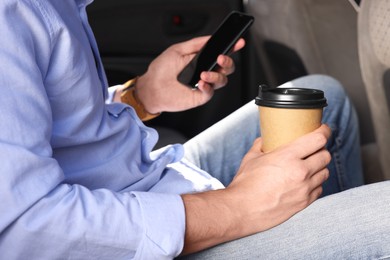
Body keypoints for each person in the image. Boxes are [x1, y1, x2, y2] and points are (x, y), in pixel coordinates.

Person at [1, 0, 389, 259]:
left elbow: (49, 128)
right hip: (126, 236)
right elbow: (26, 227)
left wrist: (142, 98)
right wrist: (240, 207)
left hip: (140, 179)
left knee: (327, 99)